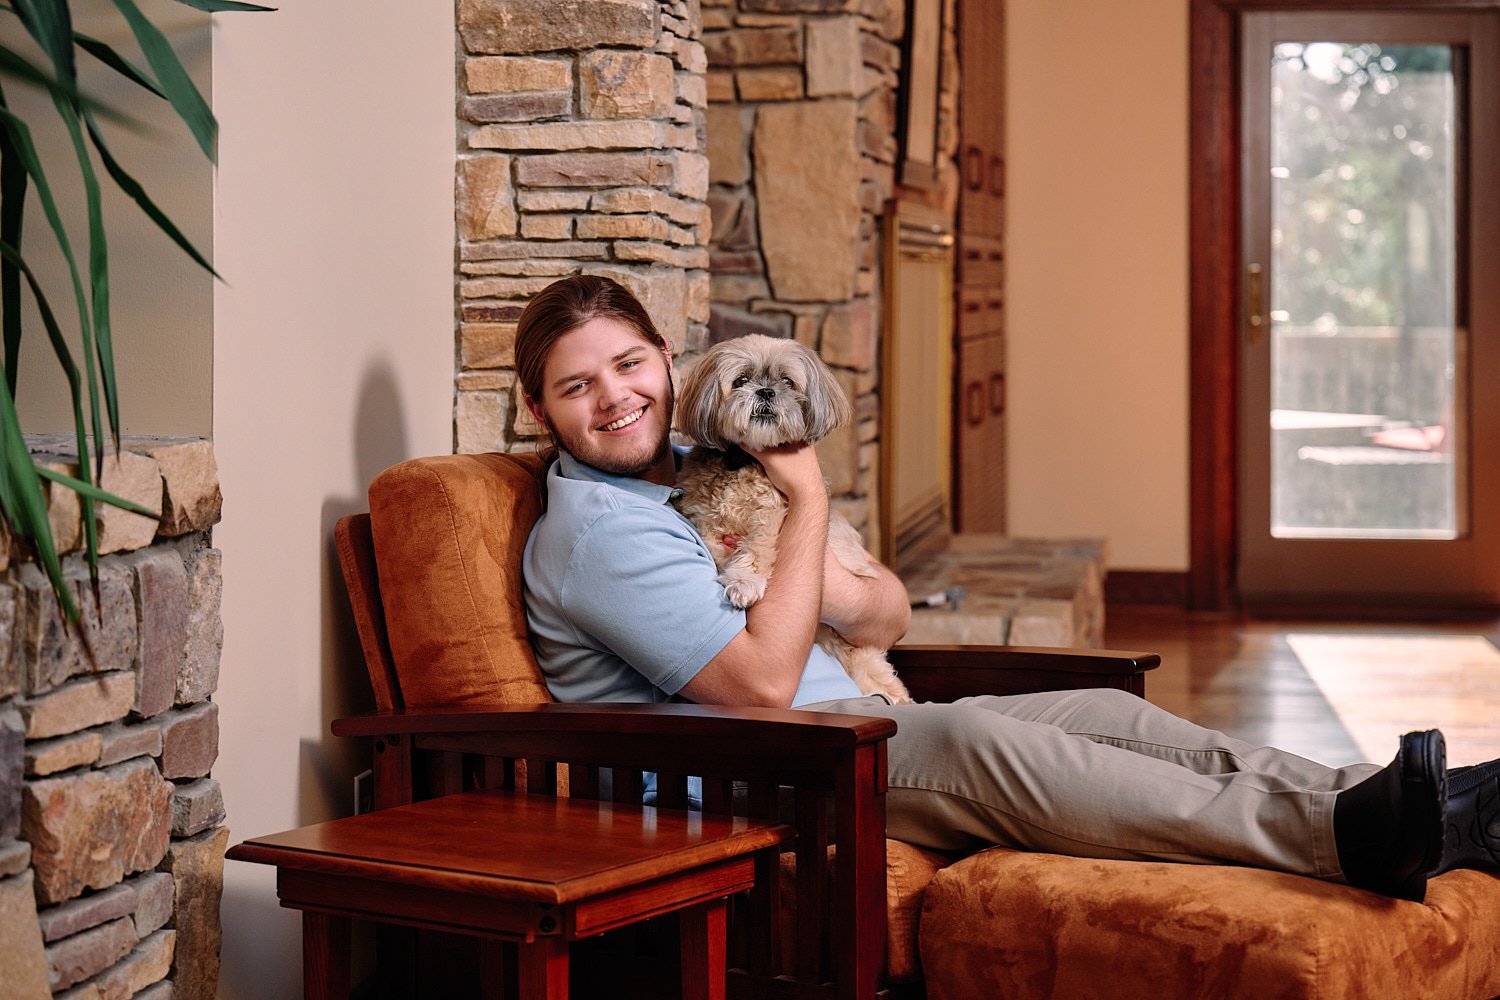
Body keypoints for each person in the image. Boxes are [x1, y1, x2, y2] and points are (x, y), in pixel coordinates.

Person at [517, 273, 1500, 903]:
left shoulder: (701, 458)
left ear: (667, 362)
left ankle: (1392, 798)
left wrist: (832, 588)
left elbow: (891, 610)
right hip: (751, 770)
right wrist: (808, 496)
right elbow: (766, 685)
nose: (615, 396)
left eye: (630, 363)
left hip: (846, 720)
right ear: (540, 408)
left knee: (1096, 709)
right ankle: (1345, 838)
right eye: (577, 386)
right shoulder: (597, 533)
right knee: (984, 740)